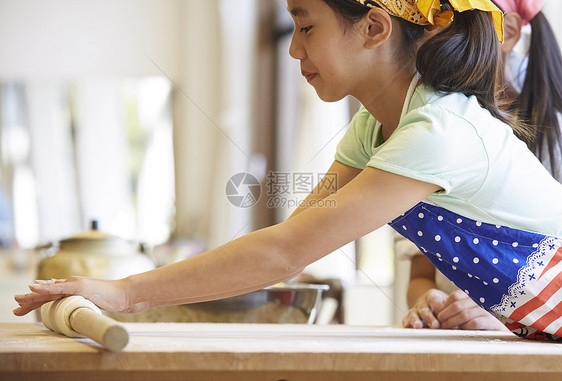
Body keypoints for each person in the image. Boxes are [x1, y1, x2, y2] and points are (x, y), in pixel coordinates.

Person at [13, 0, 562, 341]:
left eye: (305, 24)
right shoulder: (375, 130)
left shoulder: (439, 131)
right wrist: (128, 291)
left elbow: (284, 252)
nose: (296, 49)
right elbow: (289, 242)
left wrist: (125, 293)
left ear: (373, 26)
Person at [402, 0, 562, 332]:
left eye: (455, 21)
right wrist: (427, 300)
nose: (430, 34)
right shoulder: (430, 126)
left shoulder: (551, 138)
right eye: (431, 19)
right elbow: (419, 274)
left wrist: (503, 315)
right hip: (454, 341)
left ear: (510, 32)